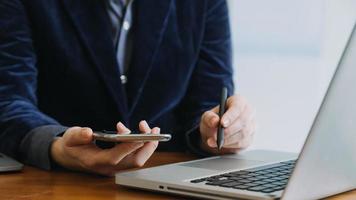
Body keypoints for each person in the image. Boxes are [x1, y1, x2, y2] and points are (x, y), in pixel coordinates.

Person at [0, 0, 256, 176]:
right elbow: (9, 101)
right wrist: (57, 147)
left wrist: (217, 130)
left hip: (167, 178)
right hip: (56, 180)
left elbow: (207, 101)